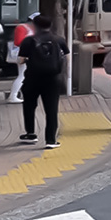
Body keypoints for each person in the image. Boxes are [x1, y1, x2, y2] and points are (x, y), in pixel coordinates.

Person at [17, 15, 68, 149]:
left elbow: (21, 60)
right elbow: (66, 56)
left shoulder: (28, 41)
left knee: (29, 106)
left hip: (32, 78)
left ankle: (31, 134)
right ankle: (51, 140)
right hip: (53, 79)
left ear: (35, 26)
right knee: (51, 110)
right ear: (50, 25)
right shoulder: (59, 40)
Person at [7, 13, 36, 104]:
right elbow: (18, 41)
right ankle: (13, 95)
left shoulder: (29, 28)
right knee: (22, 75)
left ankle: (19, 94)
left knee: (25, 75)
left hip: (25, 53)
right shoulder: (22, 27)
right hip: (22, 54)